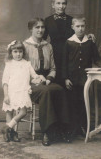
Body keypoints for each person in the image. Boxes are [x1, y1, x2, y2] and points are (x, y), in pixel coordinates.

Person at [24, 18, 70, 146]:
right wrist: (36, 79)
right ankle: (47, 132)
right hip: (31, 83)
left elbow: (53, 68)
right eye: (37, 27)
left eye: (42, 27)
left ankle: (63, 129)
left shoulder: (48, 45)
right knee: (46, 92)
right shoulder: (25, 46)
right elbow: (22, 70)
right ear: (30, 29)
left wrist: (49, 79)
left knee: (60, 89)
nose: (40, 30)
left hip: (47, 81)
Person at [62, 16, 101, 139]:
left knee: (84, 102)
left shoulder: (89, 43)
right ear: (73, 27)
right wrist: (65, 78)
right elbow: (63, 63)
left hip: (85, 79)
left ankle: (84, 127)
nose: (80, 29)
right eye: (78, 26)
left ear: (85, 27)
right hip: (72, 79)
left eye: (82, 26)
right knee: (72, 103)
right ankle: (72, 129)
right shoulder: (69, 42)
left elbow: (96, 58)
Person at [44, 0, 95, 85]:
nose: (61, 6)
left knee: (69, 83)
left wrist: (88, 35)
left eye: (63, 3)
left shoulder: (71, 20)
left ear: (66, 5)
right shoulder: (47, 21)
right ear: (53, 5)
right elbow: (43, 38)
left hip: (70, 56)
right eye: (58, 3)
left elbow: (78, 33)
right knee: (56, 82)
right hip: (54, 55)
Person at [1, 40, 43, 142]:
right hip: (11, 91)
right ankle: (11, 133)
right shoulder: (9, 64)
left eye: (20, 51)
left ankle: (7, 128)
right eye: (15, 51)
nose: (18, 54)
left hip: (23, 91)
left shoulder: (27, 64)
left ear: (23, 52)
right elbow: (5, 81)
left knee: (23, 112)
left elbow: (33, 76)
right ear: (11, 52)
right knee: (9, 111)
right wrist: (6, 95)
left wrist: (39, 78)